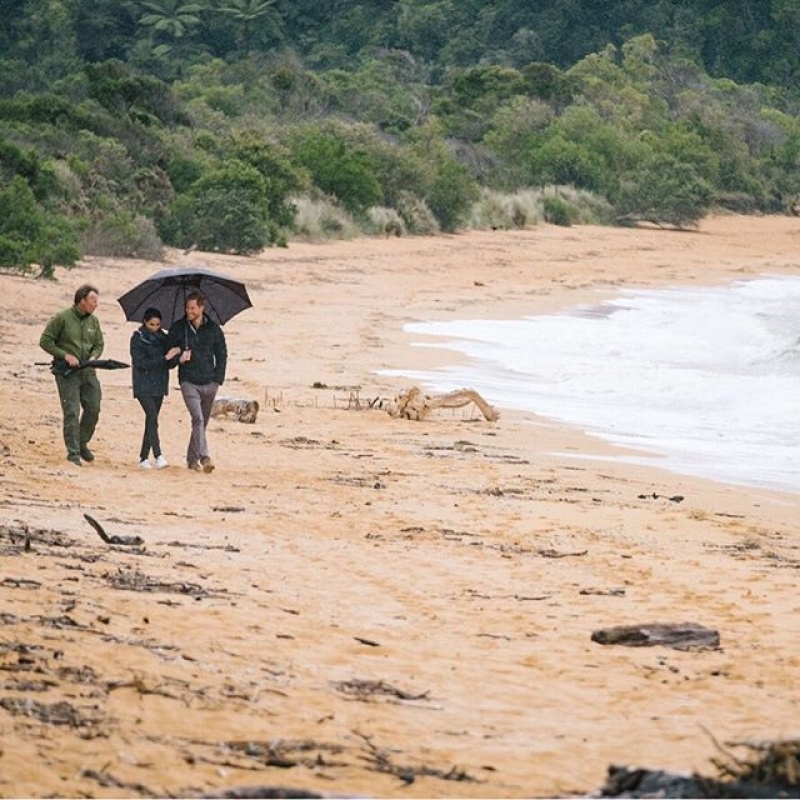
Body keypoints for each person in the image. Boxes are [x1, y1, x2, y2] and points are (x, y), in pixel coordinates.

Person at [39, 284, 105, 466]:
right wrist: (65, 355)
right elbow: (45, 341)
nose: (96, 304)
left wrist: (94, 357)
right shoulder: (62, 318)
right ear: (81, 301)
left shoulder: (94, 321)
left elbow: (99, 344)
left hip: (89, 371)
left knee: (94, 408)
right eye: (93, 300)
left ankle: (82, 442)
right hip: (67, 373)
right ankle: (73, 453)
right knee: (72, 412)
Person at [165, 291, 227, 473]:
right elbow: (167, 358)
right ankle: (205, 457)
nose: (189, 311)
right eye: (187, 307)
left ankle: (192, 460)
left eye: (192, 308)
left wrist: (218, 380)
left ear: (201, 307)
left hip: (210, 382)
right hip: (188, 382)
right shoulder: (178, 328)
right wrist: (179, 358)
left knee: (202, 423)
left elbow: (222, 354)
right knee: (197, 418)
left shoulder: (214, 329)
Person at [130, 308, 181, 470]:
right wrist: (165, 357)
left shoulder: (164, 338)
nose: (155, 327)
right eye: (152, 324)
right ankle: (158, 455)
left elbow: (169, 364)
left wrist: (177, 355)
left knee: (151, 420)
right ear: (145, 322)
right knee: (151, 415)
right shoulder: (137, 338)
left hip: (159, 383)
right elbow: (141, 363)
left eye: (158, 324)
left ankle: (143, 458)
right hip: (143, 383)